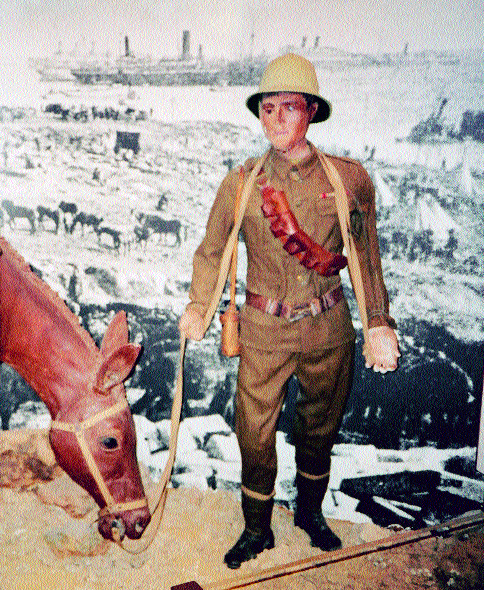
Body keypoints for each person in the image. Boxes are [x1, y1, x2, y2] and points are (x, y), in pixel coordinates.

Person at [179, 53, 400, 569]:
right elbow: (213, 251)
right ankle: (256, 528)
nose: (276, 118)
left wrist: (378, 324)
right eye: (267, 108)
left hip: (328, 326)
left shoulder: (349, 179)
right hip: (263, 329)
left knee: (319, 427)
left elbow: (365, 257)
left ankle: (311, 514)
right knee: (253, 432)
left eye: (288, 107)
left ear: (311, 112)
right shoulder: (242, 183)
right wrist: (198, 306)